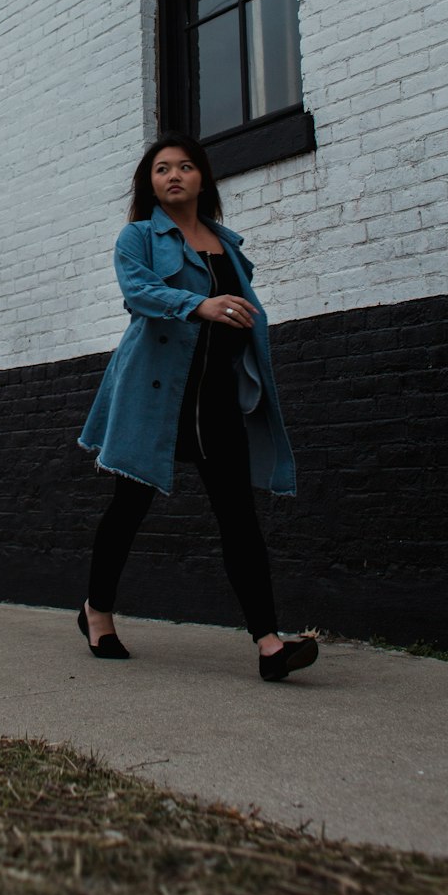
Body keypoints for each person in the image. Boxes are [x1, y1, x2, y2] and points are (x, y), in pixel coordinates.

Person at [76, 133, 318, 682]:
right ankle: (97, 611)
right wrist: (200, 304)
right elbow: (138, 294)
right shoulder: (137, 237)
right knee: (128, 508)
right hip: (155, 392)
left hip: (217, 397)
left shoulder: (226, 243)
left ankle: (269, 643)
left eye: (186, 167)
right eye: (162, 169)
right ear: (150, 183)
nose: (175, 176)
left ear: (203, 179)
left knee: (238, 516)